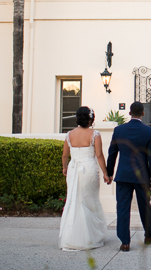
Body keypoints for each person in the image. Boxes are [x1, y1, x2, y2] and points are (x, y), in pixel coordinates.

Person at [106, 101, 151, 252]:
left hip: (123, 175)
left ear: (129, 113)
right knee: (145, 206)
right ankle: (150, 234)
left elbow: (112, 154)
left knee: (122, 208)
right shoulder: (149, 131)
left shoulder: (118, 130)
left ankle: (125, 242)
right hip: (142, 176)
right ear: (143, 113)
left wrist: (109, 173)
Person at [58, 107, 110, 251]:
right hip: (89, 170)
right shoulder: (95, 134)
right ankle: (91, 236)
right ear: (91, 119)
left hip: (74, 170)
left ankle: (72, 237)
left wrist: (64, 168)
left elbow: (64, 155)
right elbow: (99, 155)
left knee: (75, 200)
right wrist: (106, 173)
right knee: (90, 200)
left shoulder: (69, 134)